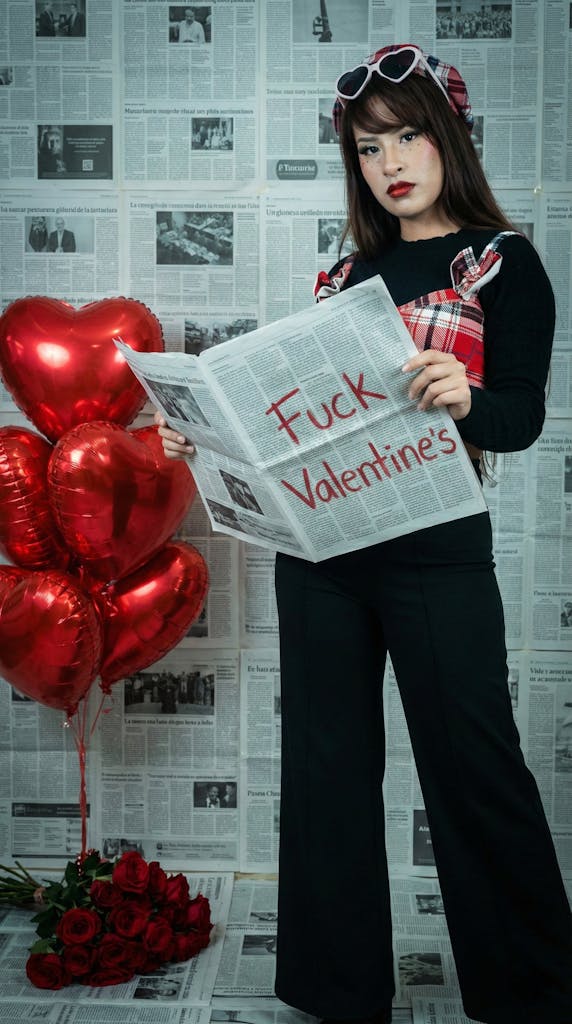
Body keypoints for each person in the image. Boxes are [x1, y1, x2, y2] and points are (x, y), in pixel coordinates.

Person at [155, 43, 572, 1024]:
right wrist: (206, 431)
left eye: (408, 134)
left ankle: (529, 991)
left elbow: (517, 416)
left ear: (451, 138)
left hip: (435, 547)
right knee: (328, 771)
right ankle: (336, 992)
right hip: (321, 558)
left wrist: (461, 395)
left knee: (474, 764)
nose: (389, 161)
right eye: (368, 144)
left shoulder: (501, 262)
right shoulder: (341, 274)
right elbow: (294, 423)